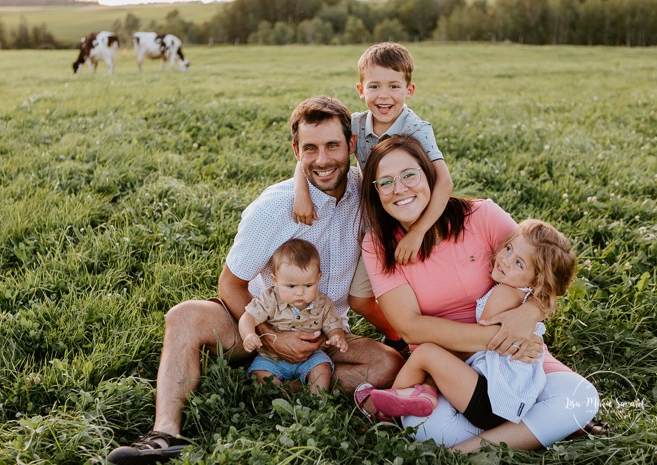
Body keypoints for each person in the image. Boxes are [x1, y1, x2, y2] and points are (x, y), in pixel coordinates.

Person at [107, 96, 404, 465]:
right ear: (296, 151)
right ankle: (165, 433)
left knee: (387, 364)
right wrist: (272, 337)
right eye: (310, 148)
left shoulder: (368, 194)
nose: (323, 159)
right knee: (183, 315)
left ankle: (274, 386)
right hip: (259, 325)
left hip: (325, 333)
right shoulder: (272, 208)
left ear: (352, 146)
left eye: (332, 146)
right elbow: (230, 285)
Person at [355, 134, 599, 452]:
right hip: (446, 373)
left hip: (512, 365)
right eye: (385, 182)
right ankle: (530, 429)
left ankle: (471, 449)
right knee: (431, 430)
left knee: (581, 397)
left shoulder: (481, 215)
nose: (399, 189)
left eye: (409, 175)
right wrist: (501, 337)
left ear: (430, 176)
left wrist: (528, 313)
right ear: (375, 193)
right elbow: (409, 327)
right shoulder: (378, 246)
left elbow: (541, 273)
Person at [291, 42, 454, 350]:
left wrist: (418, 233)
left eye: (394, 85)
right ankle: (398, 337)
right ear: (360, 89)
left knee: (425, 291)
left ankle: (434, 340)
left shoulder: (416, 129)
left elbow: (444, 182)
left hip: (414, 221)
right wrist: (302, 191)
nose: (384, 95)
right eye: (374, 86)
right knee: (360, 298)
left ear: (410, 89)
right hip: (376, 224)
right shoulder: (354, 124)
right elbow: (312, 151)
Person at [369, 219, 577, 432]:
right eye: (508, 248)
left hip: (492, 400)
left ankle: (383, 414)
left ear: (535, 281)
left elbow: (476, 344)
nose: (505, 260)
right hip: (505, 399)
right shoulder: (521, 295)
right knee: (432, 357)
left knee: (425, 353)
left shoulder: (504, 294)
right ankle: (422, 391)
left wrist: (439, 364)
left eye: (519, 263)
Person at [239, 238, 349, 395]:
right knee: (262, 373)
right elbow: (248, 317)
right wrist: (249, 334)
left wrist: (337, 336)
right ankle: (281, 402)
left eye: (308, 285)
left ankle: (318, 402)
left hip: (310, 357)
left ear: (318, 278)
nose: (299, 292)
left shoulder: (323, 303)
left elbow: (333, 325)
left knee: (322, 367)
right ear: (275, 281)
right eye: (291, 286)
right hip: (271, 358)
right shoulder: (270, 299)